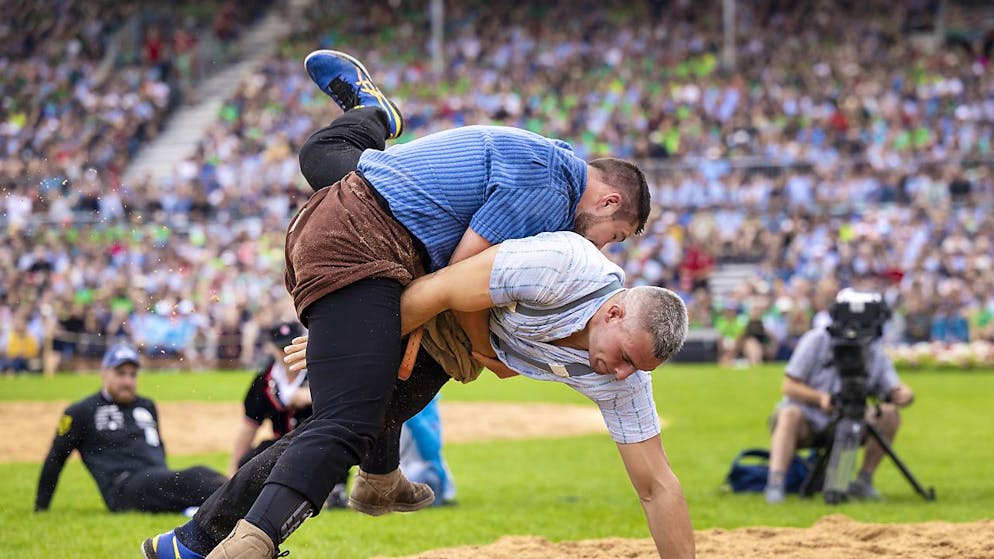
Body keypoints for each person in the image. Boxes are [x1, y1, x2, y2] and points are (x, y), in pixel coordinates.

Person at [142, 48, 652, 558]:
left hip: (365, 221)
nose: (603, 247)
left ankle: (374, 116)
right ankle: (223, 543)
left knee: (323, 158)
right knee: (343, 423)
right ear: (608, 201)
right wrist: (483, 350)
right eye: (617, 235)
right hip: (367, 242)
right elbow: (462, 270)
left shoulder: (553, 160)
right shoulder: (552, 188)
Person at [143, 231, 695, 559]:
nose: (622, 375)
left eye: (635, 369)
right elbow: (438, 288)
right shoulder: (560, 268)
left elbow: (657, 486)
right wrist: (344, 344)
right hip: (410, 271)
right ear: (614, 309)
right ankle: (195, 543)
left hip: (450, 342)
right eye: (625, 356)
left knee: (345, 430)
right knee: (335, 433)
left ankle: (375, 483)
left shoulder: (622, 373)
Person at [35, 343, 226, 514]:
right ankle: (240, 501)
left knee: (194, 478)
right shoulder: (82, 411)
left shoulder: (146, 405)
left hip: (156, 479)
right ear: (104, 372)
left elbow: (157, 448)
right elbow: (55, 458)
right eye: (120, 374)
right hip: (123, 487)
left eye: (132, 375)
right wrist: (41, 507)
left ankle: (233, 503)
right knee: (197, 476)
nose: (127, 381)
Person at [764, 290, 915, 504]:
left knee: (889, 414)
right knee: (788, 413)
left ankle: (863, 482)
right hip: (810, 420)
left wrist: (904, 394)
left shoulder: (874, 349)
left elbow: (892, 385)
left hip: (854, 418)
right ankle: (775, 482)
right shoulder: (816, 340)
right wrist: (820, 399)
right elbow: (788, 386)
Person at [228, 321, 350, 508]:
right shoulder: (263, 381)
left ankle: (333, 491)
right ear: (270, 348)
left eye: (290, 346)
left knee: (332, 449)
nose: (286, 352)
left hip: (320, 443)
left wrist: (312, 396)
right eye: (281, 348)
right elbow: (249, 427)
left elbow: (346, 405)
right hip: (282, 447)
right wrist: (232, 478)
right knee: (249, 461)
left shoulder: (321, 370)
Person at [398, 395, 456, 507]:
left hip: (420, 471)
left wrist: (413, 417)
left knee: (427, 475)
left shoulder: (428, 406)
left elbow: (431, 448)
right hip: (398, 471)